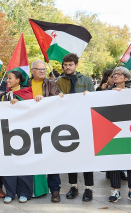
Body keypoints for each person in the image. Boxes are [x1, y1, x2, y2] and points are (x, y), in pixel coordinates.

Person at [56, 53, 95, 202]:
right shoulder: (59, 82)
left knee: (86, 156)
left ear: (76, 65)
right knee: (71, 155)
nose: (67, 67)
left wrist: (89, 95)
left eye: (70, 65)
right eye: (65, 65)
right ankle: (73, 186)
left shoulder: (86, 80)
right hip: (67, 124)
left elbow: (94, 100)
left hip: (84, 123)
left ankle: (89, 188)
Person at [102, 67, 131, 204]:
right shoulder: (106, 92)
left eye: (119, 74)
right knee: (114, 159)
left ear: (126, 79)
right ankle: (116, 190)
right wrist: (109, 94)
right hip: (112, 131)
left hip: (130, 130)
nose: (115, 76)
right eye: (114, 74)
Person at [0, 71, 34, 204]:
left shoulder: (28, 93)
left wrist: (20, 103)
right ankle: (10, 192)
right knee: (8, 163)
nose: (7, 80)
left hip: (24, 134)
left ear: (18, 80)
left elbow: (32, 110)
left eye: (10, 78)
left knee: (24, 163)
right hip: (7, 133)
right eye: (7, 78)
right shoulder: (4, 95)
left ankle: (25, 192)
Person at [27, 60, 61, 202]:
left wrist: (43, 100)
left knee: (51, 157)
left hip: (47, 125)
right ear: (32, 70)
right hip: (29, 126)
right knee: (31, 158)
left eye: (43, 69)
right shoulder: (25, 84)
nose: (42, 71)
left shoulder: (51, 84)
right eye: (38, 69)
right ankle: (32, 189)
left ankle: (55, 190)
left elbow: (55, 101)